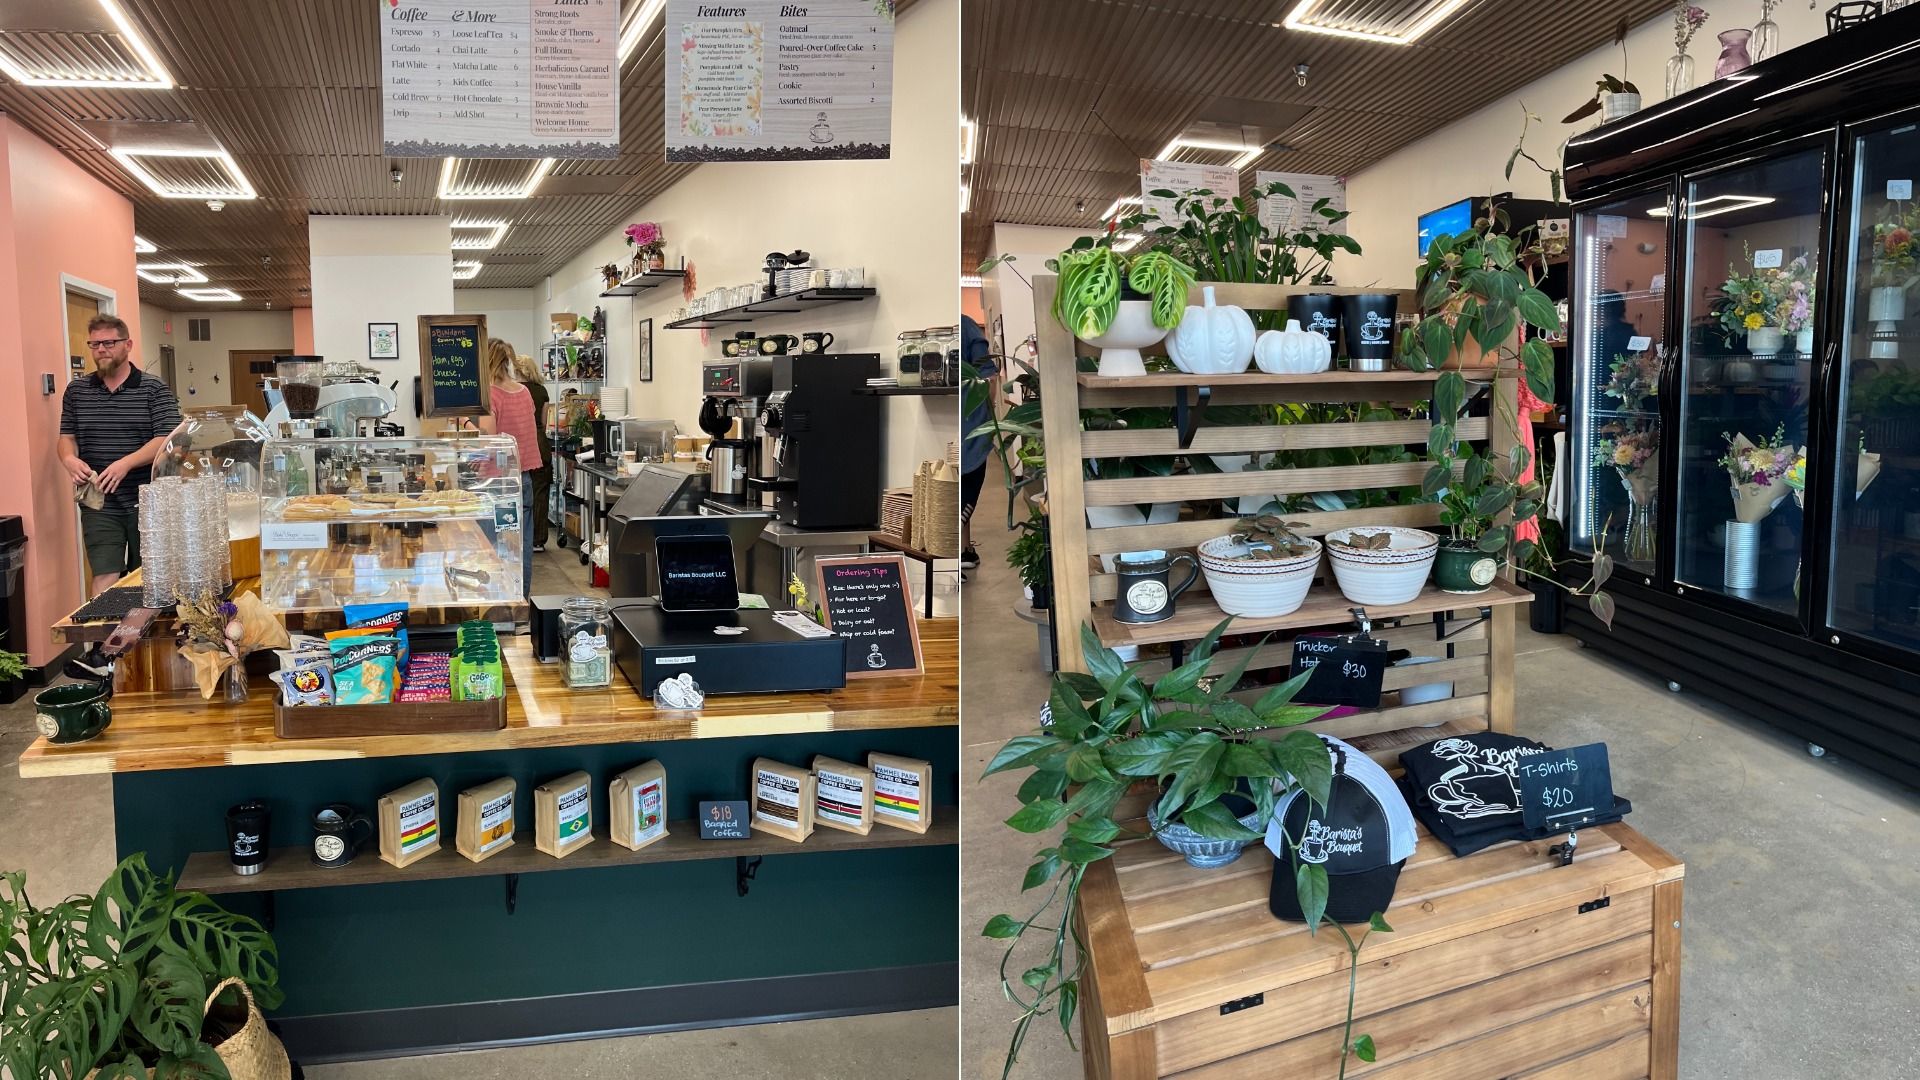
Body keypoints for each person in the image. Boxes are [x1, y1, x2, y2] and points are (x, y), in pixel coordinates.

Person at [58, 314, 182, 597]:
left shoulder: (153, 389)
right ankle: (104, 640)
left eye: (109, 343)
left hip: (147, 500)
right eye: (94, 344)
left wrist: (125, 463)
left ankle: (141, 639)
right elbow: (66, 438)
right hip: (99, 500)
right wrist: (68, 460)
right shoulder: (77, 391)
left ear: (127, 344)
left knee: (148, 575)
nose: (101, 350)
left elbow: (168, 439)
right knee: (105, 573)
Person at [476, 339, 542, 601]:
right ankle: (520, 600)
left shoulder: (490, 394)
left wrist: (466, 428)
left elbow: (489, 440)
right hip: (521, 478)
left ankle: (497, 603)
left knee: (493, 547)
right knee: (519, 545)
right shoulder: (524, 392)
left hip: (495, 484)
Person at [959, 314, 996, 574]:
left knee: (956, 487)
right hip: (970, 421)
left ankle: (964, 550)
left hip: (947, 419)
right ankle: (953, 550)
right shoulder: (967, 326)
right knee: (969, 485)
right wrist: (989, 412)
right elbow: (988, 377)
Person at [510, 354, 553, 553]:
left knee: (518, 492)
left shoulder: (513, 390)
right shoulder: (542, 391)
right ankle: (538, 540)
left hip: (521, 443)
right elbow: (543, 423)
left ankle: (517, 536)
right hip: (540, 443)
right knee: (541, 492)